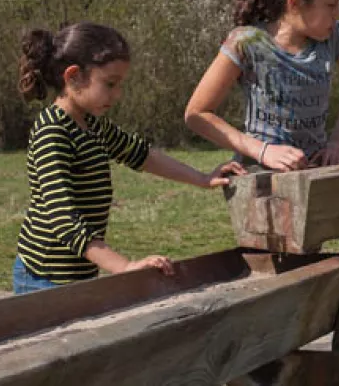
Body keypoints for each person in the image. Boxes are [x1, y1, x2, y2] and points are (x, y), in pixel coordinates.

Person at [14, 22, 244, 294]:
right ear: (73, 76)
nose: (117, 94)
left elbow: (143, 155)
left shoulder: (92, 125)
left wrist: (203, 179)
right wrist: (124, 267)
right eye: (110, 84)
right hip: (43, 278)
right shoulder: (52, 132)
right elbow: (64, 220)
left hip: (78, 274)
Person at [185, 0, 339, 172]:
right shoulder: (247, 42)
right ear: (295, 3)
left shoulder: (335, 38)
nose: (338, 14)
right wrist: (262, 151)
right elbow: (196, 114)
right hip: (259, 176)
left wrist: (338, 142)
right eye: (331, 5)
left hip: (314, 173)